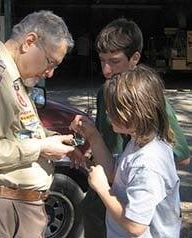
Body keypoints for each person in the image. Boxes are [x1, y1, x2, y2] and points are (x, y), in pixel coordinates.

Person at [0, 10, 76, 238]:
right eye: (51, 62)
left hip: (16, 207)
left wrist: (50, 140)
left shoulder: (13, 77)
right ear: (29, 42)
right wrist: (40, 148)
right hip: (6, 207)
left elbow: (18, 132)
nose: (50, 73)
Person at [80, 18, 191, 238]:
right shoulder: (108, 94)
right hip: (107, 207)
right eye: (102, 61)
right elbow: (114, 164)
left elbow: (180, 157)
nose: (106, 70)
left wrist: (124, 182)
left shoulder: (145, 100)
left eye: (114, 61)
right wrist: (90, 137)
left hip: (125, 209)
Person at [70, 64, 182, 237]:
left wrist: (102, 189)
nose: (108, 116)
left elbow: (135, 225)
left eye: (114, 110)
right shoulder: (140, 141)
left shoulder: (147, 163)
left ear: (136, 113)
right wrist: (93, 136)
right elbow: (115, 174)